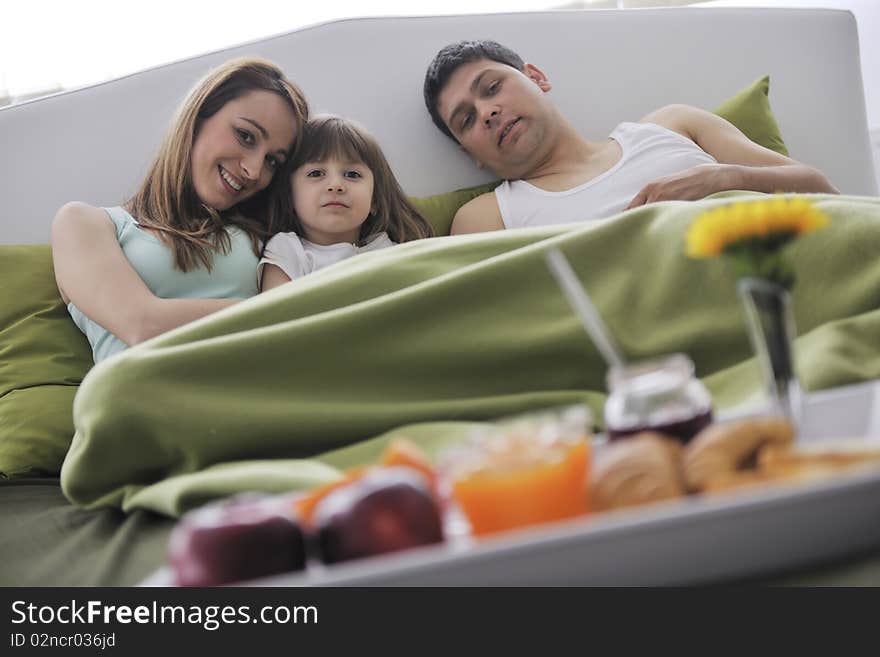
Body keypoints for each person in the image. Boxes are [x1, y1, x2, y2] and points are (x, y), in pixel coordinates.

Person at [423, 40, 839, 234]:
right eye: (466, 120)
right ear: (471, 153)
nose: (487, 112)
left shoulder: (671, 125)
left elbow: (826, 193)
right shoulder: (487, 216)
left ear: (537, 78)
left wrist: (724, 178)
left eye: (492, 88)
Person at [52, 57, 309, 363]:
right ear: (197, 117)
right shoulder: (84, 223)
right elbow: (142, 324)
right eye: (245, 136)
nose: (254, 171)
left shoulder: (266, 236)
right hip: (136, 401)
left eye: (272, 161)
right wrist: (283, 313)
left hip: (251, 399)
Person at [259, 115, 434, 290]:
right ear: (290, 195)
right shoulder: (288, 252)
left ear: (375, 200)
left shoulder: (392, 252)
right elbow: (277, 313)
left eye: (352, 174)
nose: (335, 186)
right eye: (316, 173)